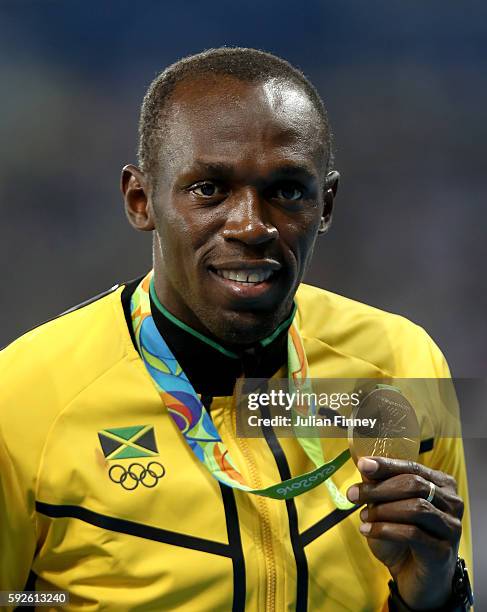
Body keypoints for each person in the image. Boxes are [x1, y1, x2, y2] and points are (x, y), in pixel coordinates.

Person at [0, 47, 473, 611]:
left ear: (325, 204)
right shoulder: (23, 398)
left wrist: (436, 596)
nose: (251, 225)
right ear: (140, 199)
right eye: (209, 189)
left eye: (287, 190)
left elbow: (435, 587)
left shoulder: (402, 364)